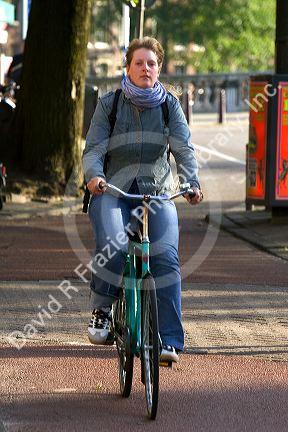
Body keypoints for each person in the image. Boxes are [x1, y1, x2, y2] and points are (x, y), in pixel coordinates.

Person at [83, 37, 202, 363]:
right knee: (114, 243)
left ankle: (170, 342)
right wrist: (94, 177)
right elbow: (93, 149)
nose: (145, 68)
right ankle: (103, 310)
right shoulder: (110, 104)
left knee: (165, 255)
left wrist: (191, 183)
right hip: (112, 190)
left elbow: (184, 149)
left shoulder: (169, 106)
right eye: (139, 63)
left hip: (157, 191)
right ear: (128, 67)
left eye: (151, 63)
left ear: (159, 68)